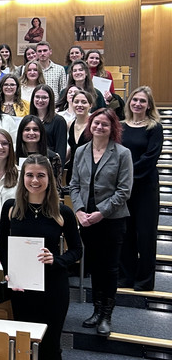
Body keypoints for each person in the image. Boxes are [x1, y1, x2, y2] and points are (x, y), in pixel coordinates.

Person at [0, 156, 82, 360]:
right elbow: (3, 248)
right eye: (30, 175)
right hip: (22, 289)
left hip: (53, 289)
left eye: (41, 176)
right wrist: (10, 273)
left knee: (51, 348)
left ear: (50, 179)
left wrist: (55, 259)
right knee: (25, 347)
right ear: (22, 178)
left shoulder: (62, 212)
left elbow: (77, 251)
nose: (35, 181)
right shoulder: (11, 208)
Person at [70, 109, 133, 335]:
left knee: (110, 268)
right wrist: (78, 210)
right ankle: (96, 310)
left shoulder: (122, 153)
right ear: (90, 125)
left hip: (112, 220)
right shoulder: (81, 151)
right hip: (87, 220)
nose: (99, 128)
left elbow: (124, 191)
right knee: (95, 267)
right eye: (96, 123)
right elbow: (74, 185)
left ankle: (107, 314)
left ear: (112, 128)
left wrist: (101, 213)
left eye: (105, 124)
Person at [120, 86, 163, 291]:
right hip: (124, 188)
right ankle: (127, 276)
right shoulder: (120, 126)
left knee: (145, 234)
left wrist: (127, 174)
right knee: (126, 232)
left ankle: (144, 280)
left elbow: (150, 158)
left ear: (149, 105)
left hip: (146, 186)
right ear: (129, 102)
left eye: (142, 101)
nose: (138, 103)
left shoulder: (154, 127)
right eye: (135, 100)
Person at [16, 115, 64, 187]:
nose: (31, 133)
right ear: (21, 133)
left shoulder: (54, 157)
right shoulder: (12, 157)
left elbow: (57, 188)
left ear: (41, 133)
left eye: (35, 129)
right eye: (27, 129)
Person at [29, 85, 67, 160]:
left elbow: (61, 151)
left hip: (49, 164)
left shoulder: (59, 121)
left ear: (51, 99)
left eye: (44, 97)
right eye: (37, 97)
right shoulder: (28, 120)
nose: (40, 100)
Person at [66, 89, 93, 183]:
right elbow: (73, 148)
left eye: (84, 102)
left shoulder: (94, 125)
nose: (79, 105)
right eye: (76, 102)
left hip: (89, 171)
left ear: (90, 105)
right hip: (73, 170)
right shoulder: (70, 124)